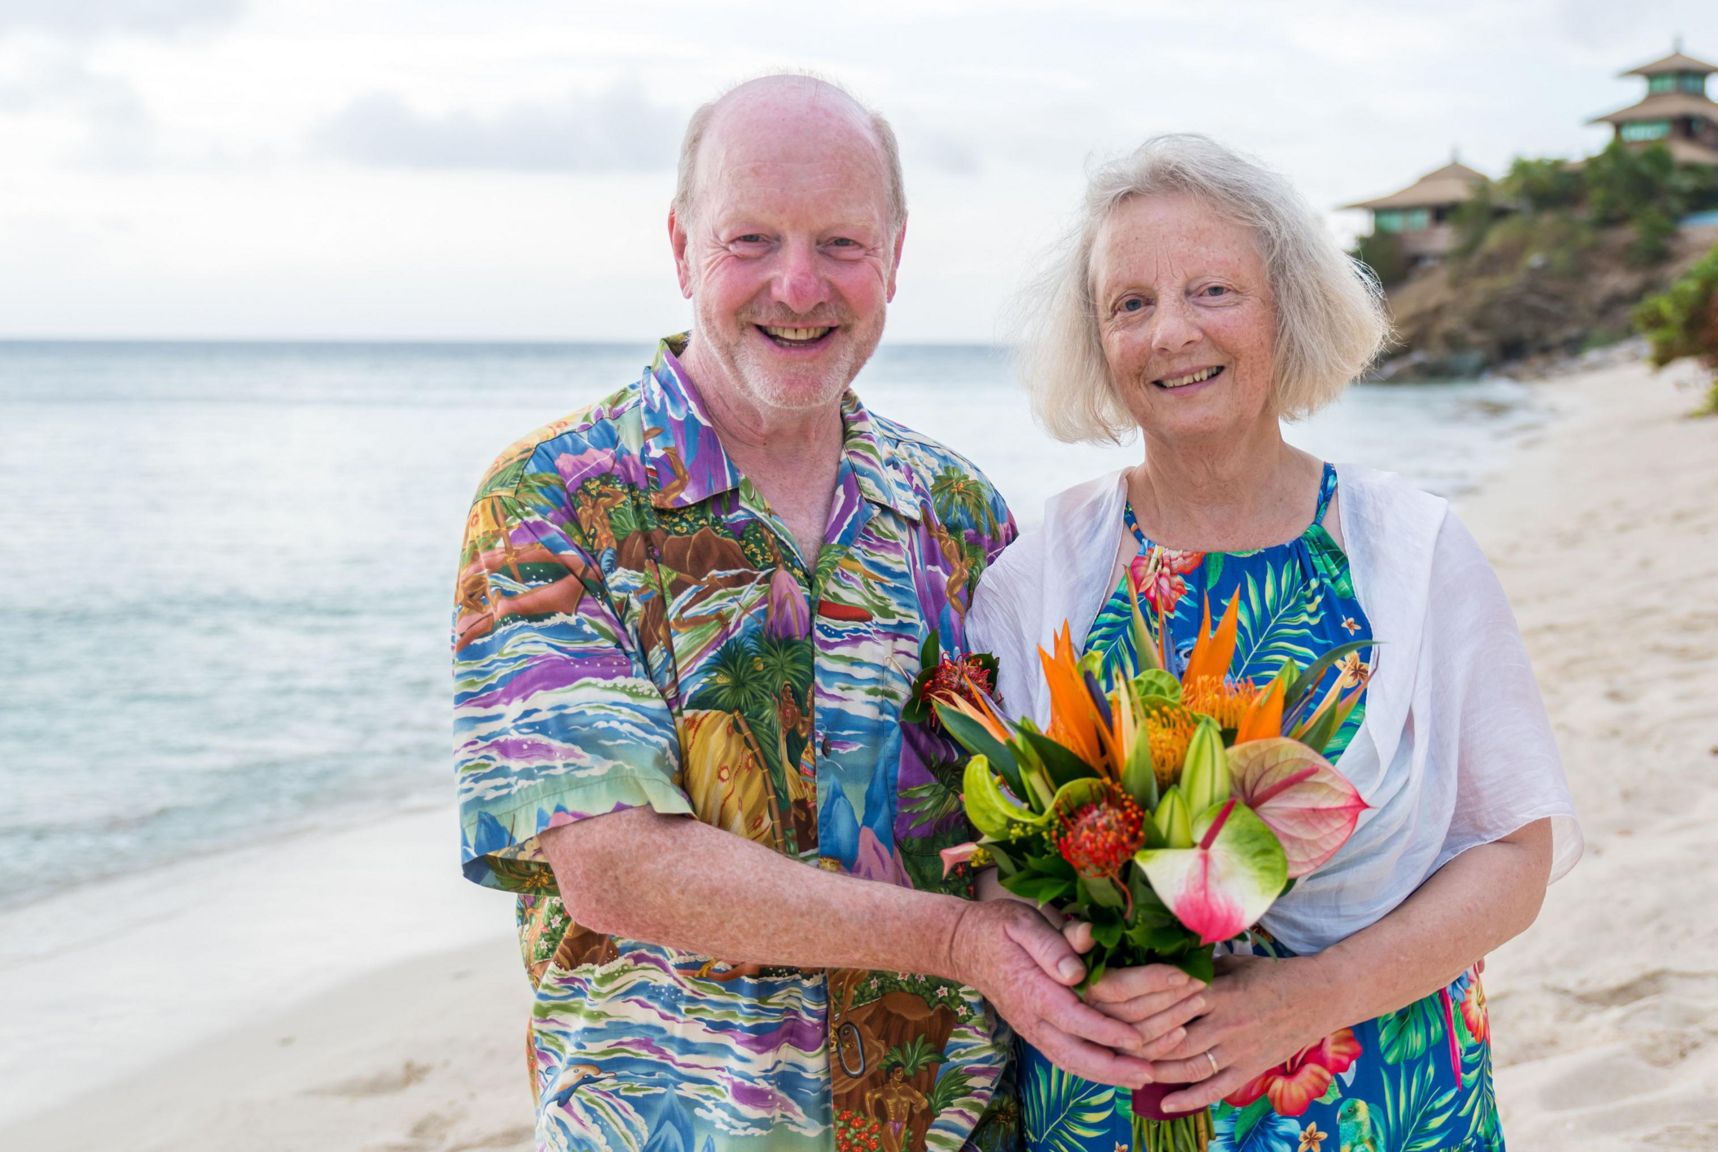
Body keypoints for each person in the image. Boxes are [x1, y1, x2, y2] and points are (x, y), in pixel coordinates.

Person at [451, 75, 1164, 1152]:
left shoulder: (957, 513)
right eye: (751, 239)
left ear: (893, 257)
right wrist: (962, 943)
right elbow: (616, 868)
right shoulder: (552, 504)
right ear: (682, 247)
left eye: (839, 242)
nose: (796, 285)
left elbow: (1042, 817)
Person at [966, 134, 1581, 1150]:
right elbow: (997, 862)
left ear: (1286, 309)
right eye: (1129, 304)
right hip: (1117, 1095)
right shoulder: (1040, 575)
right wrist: (1078, 953)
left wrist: (1309, 999)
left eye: (1211, 290)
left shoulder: (1412, 549)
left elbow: (1514, 848)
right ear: (1094, 340)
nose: (1170, 333)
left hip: (1378, 1089)